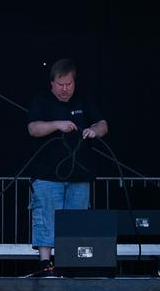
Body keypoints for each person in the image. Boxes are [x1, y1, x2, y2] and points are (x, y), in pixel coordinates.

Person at [25, 59, 108, 268]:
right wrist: (56, 125)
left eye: (69, 84)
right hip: (46, 174)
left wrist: (94, 131)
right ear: (52, 83)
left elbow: (103, 124)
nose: (65, 89)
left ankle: (72, 262)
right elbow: (33, 128)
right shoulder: (41, 101)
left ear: (74, 82)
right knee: (45, 217)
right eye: (60, 85)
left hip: (80, 174)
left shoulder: (83, 101)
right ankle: (45, 263)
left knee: (76, 222)